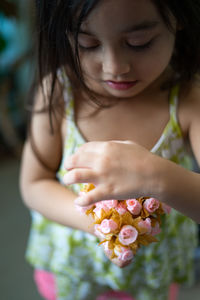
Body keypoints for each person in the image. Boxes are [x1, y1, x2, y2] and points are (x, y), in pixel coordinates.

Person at [20, 0, 200, 299]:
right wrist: (103, 227)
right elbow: (34, 183)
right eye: (87, 44)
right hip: (74, 269)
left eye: (138, 42)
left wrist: (156, 176)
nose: (115, 66)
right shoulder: (59, 93)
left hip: (151, 275)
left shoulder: (188, 100)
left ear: (177, 20)